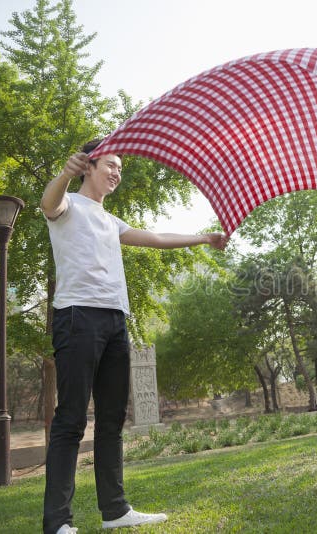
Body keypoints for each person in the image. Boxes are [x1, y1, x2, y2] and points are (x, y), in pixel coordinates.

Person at [40, 140, 229, 533]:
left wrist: (203, 238)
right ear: (87, 167)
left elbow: (156, 238)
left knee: (111, 419)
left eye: (120, 168)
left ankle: (115, 511)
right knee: (71, 419)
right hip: (77, 317)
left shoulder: (111, 222)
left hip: (114, 321)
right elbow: (48, 204)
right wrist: (63, 172)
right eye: (110, 165)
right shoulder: (68, 206)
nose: (117, 173)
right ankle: (58, 523)